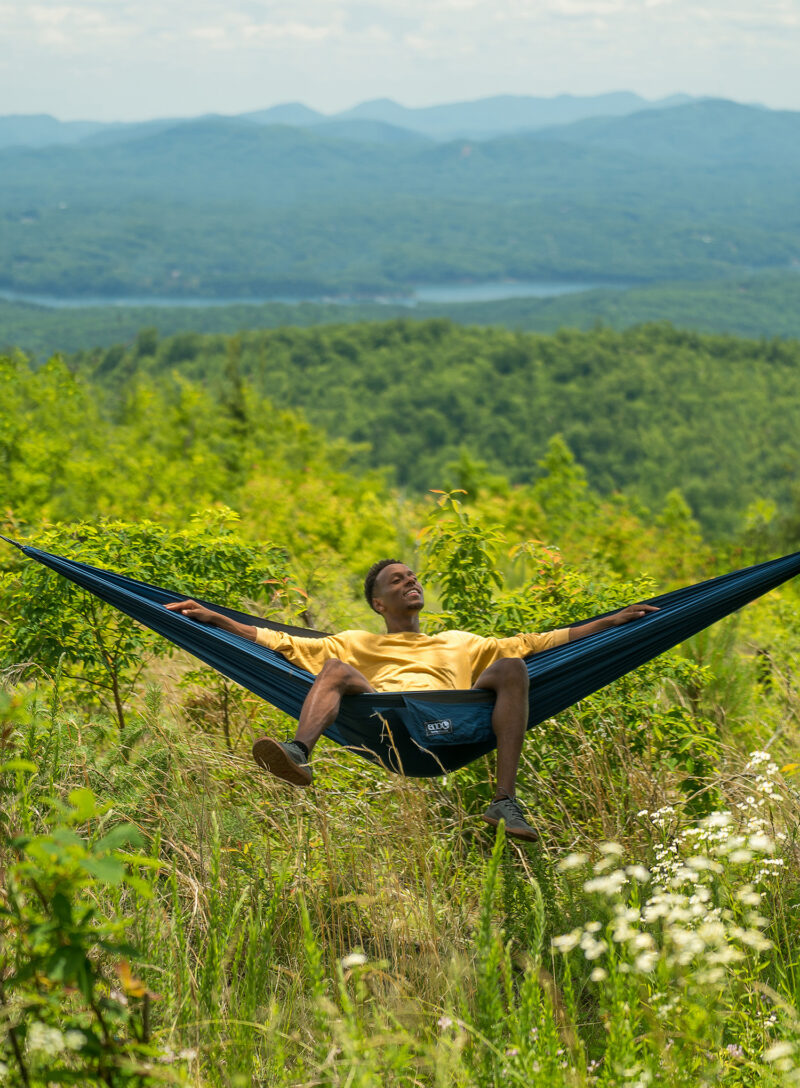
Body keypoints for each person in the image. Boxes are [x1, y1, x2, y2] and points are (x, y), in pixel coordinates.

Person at [166, 559, 657, 841]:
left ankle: (505, 802)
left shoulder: (463, 643)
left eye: (413, 576)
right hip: (391, 723)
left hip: (454, 722)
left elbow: (541, 642)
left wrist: (608, 624)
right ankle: (298, 755)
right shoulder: (355, 641)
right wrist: (219, 621)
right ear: (379, 603)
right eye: (397, 580)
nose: (410, 582)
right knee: (334, 669)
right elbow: (279, 642)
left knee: (512, 667)